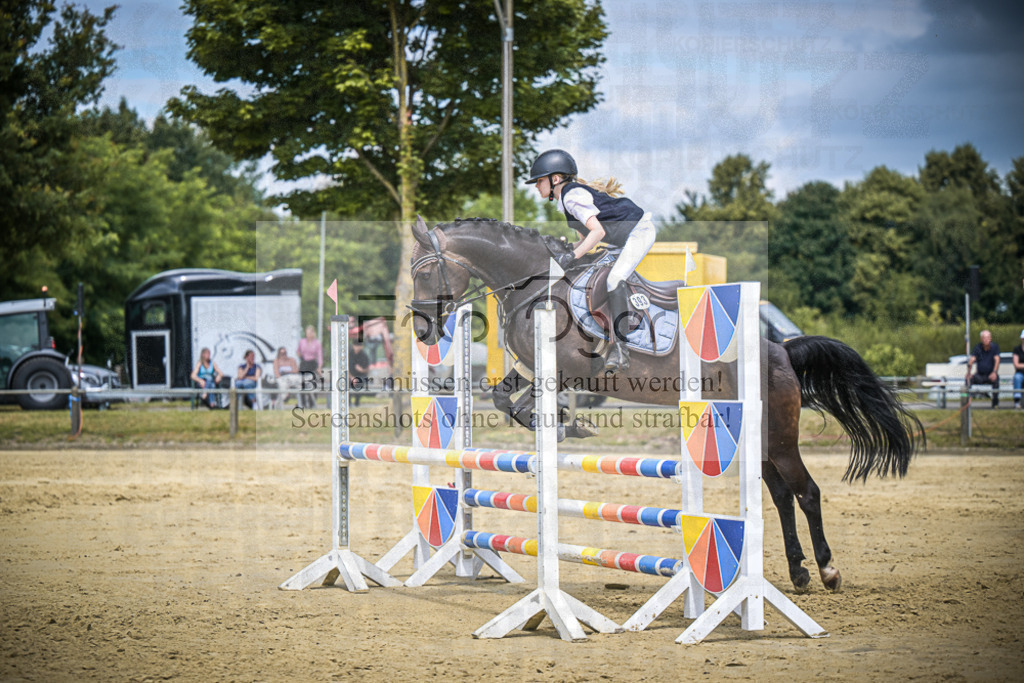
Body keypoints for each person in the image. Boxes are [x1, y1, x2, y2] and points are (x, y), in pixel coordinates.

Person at [525, 148, 655, 375]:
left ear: (555, 179)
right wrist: (564, 252)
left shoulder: (572, 196)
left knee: (614, 280)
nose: (536, 186)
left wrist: (572, 256)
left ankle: (620, 347)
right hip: (621, 238)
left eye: (539, 181)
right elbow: (585, 240)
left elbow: (598, 233)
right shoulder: (566, 200)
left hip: (638, 232)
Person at [967, 329, 1001, 408]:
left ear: (991, 338)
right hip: (980, 375)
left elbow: (997, 359)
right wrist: (969, 373)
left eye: (988, 337)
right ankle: (966, 403)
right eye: (984, 337)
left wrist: (994, 372)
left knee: (996, 380)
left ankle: (995, 404)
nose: (986, 339)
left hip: (991, 374)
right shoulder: (977, 348)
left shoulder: (995, 347)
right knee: (969, 379)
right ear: (981, 339)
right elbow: (972, 360)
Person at [297, 325, 322, 409]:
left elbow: (319, 355)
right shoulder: (302, 341)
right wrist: (300, 356)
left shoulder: (317, 343)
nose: (309, 335)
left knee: (312, 383)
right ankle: (303, 404)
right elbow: (298, 351)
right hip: (304, 363)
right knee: (302, 384)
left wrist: (319, 367)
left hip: (312, 364)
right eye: (307, 333)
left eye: (310, 333)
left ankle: (312, 404)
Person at [349, 340, 370, 406]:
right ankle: (348, 402)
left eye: (359, 346)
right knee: (345, 382)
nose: (357, 347)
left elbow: (367, 369)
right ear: (353, 346)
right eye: (356, 346)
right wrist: (352, 377)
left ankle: (356, 402)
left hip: (360, 375)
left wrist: (361, 370)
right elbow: (346, 368)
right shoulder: (349, 354)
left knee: (359, 382)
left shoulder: (364, 355)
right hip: (350, 375)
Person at [1012, 329, 1024, 410]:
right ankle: (1017, 401)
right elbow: (1016, 364)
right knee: (1017, 378)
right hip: (1020, 373)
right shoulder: (1017, 349)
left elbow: (1019, 364)